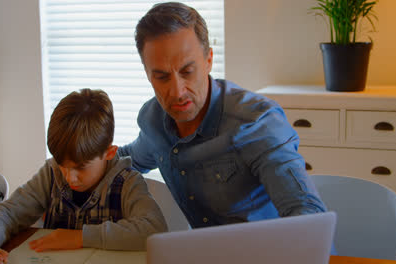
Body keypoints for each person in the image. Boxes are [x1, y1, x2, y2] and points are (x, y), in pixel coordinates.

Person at [118, 2, 327, 228]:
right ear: (147, 74)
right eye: (161, 77)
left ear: (208, 60)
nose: (178, 92)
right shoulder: (154, 121)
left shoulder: (255, 122)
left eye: (187, 71)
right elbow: (127, 159)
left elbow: (307, 215)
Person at [0, 89, 168, 264]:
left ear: (109, 153)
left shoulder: (127, 182)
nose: (69, 178)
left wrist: (79, 237)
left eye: (80, 168)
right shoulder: (51, 174)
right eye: (62, 165)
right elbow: (7, 212)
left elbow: (154, 229)